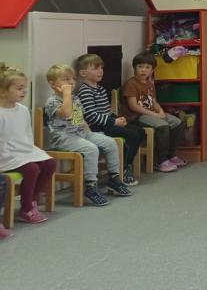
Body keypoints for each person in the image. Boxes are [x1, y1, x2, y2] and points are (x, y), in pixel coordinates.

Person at [44, 64, 132, 206]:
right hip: (63, 138)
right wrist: (66, 94)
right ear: (53, 84)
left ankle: (114, 179)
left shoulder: (75, 99)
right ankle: (90, 186)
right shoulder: (52, 101)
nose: (71, 82)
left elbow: (80, 120)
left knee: (111, 143)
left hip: (80, 134)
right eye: (66, 79)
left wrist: (91, 135)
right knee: (91, 149)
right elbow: (66, 112)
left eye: (73, 79)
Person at [0, 63, 57, 229]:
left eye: (24, 88)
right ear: (3, 91)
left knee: (50, 163)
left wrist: (32, 151)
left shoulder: (23, 110)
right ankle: (26, 208)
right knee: (32, 169)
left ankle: (31, 200)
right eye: (19, 88)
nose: (24, 91)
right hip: (6, 153)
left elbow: (26, 135)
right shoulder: (1, 112)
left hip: (24, 150)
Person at [77, 53, 145, 186]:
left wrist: (117, 118)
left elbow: (106, 111)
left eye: (101, 68)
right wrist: (114, 122)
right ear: (83, 73)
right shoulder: (84, 91)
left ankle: (126, 165)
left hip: (107, 123)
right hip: (96, 127)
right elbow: (91, 116)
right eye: (96, 68)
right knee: (132, 135)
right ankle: (123, 169)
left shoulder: (101, 89)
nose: (100, 71)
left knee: (139, 131)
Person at [121, 52, 186, 173]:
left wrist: (161, 112)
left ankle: (171, 155)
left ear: (152, 70)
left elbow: (154, 102)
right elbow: (134, 106)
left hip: (151, 113)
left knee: (178, 123)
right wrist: (156, 115)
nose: (143, 70)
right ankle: (161, 161)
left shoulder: (150, 84)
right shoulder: (131, 84)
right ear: (134, 67)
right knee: (162, 126)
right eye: (140, 67)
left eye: (147, 67)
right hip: (137, 117)